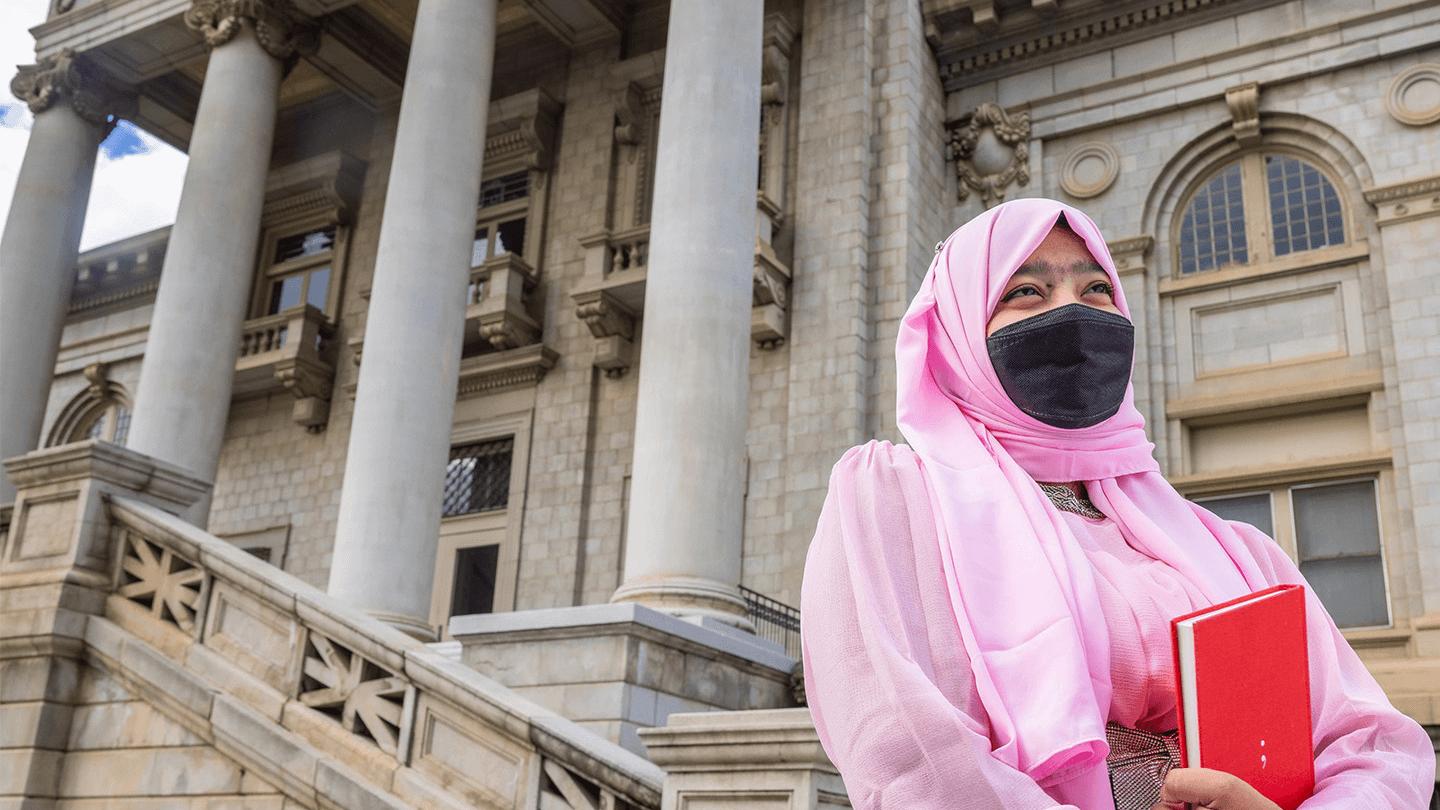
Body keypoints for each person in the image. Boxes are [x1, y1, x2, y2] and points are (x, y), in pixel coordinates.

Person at [799, 198, 1436, 809]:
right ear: (958, 330)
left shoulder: (1239, 553)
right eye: (1027, 291)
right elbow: (910, 754)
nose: (1073, 313)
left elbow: (1374, 742)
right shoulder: (895, 501)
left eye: (1096, 289)